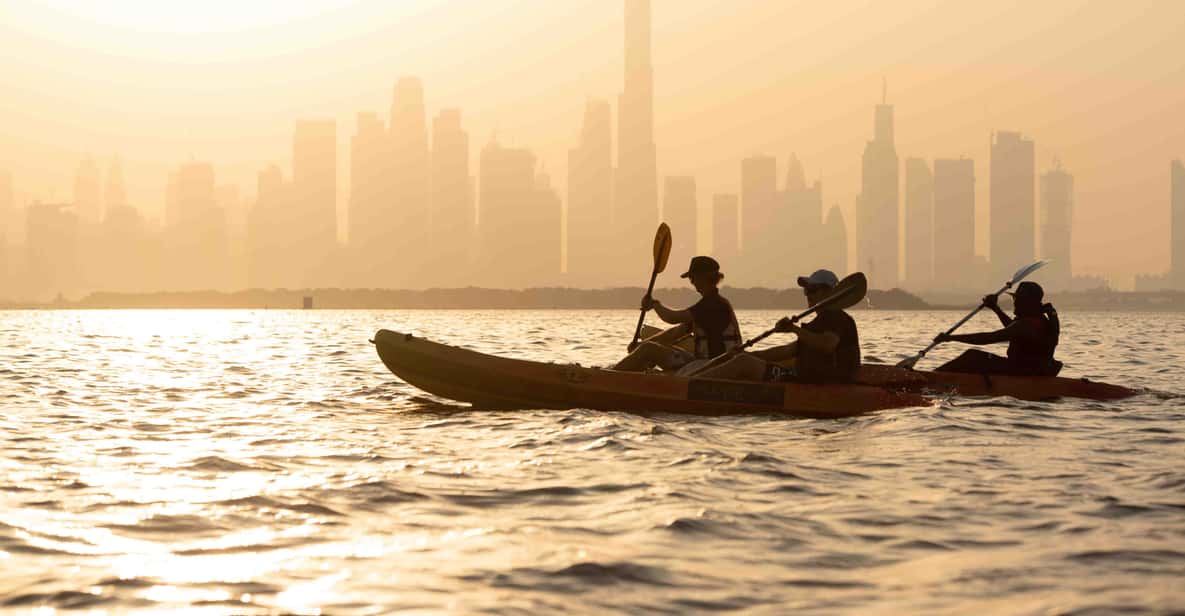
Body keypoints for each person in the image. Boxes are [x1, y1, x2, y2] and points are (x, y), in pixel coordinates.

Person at [694, 269, 860, 383]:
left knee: (743, 363)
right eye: (806, 291)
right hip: (808, 377)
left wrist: (794, 329)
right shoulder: (816, 323)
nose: (808, 295)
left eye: (813, 290)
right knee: (744, 359)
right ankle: (697, 379)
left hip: (825, 382)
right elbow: (786, 351)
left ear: (829, 292)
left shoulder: (837, 317)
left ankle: (691, 384)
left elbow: (827, 345)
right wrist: (746, 354)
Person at [613, 256, 741, 374]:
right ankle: (620, 373)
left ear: (703, 277)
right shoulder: (709, 304)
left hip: (715, 365)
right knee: (650, 347)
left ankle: (610, 377)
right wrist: (640, 346)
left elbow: (672, 318)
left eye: (693, 278)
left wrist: (654, 305)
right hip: (704, 362)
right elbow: (674, 333)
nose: (692, 282)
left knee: (648, 349)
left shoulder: (713, 304)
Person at [931, 281, 1062, 376]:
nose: (1015, 303)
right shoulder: (1039, 320)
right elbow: (1012, 330)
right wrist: (995, 308)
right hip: (1031, 370)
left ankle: (933, 377)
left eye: (1018, 299)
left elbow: (989, 338)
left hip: (1023, 371)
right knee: (976, 358)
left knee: (972, 356)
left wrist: (950, 338)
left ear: (1029, 303)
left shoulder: (1026, 325)